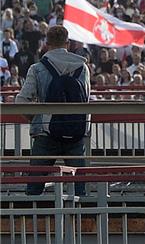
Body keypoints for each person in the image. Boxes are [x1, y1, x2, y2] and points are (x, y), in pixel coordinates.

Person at [15, 25, 91, 196]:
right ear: (68, 43)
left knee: (34, 187)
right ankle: (81, 219)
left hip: (45, 132)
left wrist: (36, 119)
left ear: (47, 44)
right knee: (80, 188)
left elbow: (21, 101)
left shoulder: (37, 68)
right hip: (76, 131)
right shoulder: (82, 68)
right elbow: (85, 99)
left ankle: (32, 219)